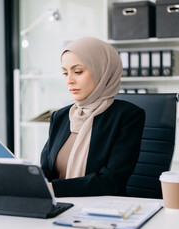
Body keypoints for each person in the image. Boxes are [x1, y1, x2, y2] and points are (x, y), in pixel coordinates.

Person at [40, 37, 145, 197]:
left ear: (102, 71)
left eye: (78, 72)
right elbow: (46, 169)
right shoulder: (60, 117)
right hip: (58, 205)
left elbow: (110, 182)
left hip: (101, 211)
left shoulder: (127, 116)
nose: (69, 80)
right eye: (65, 73)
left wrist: (54, 189)